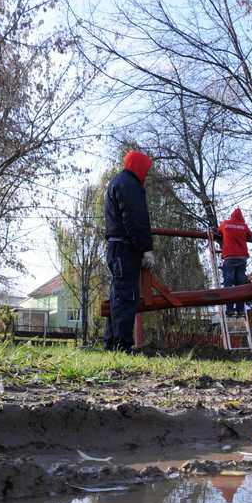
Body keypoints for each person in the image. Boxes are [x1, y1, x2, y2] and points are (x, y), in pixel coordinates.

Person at [103, 149, 155, 353]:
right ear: (139, 167)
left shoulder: (117, 182)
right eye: (146, 170)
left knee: (118, 296)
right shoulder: (130, 185)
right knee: (127, 296)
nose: (146, 174)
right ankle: (122, 345)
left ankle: (112, 343)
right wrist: (146, 249)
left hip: (116, 247)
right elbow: (135, 219)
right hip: (125, 249)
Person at [217, 207, 252, 316]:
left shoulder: (225, 223)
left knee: (228, 282)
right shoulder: (244, 226)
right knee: (240, 284)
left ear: (232, 215)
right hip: (242, 257)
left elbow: (219, 231)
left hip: (229, 257)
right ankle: (240, 310)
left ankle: (230, 310)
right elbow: (250, 235)